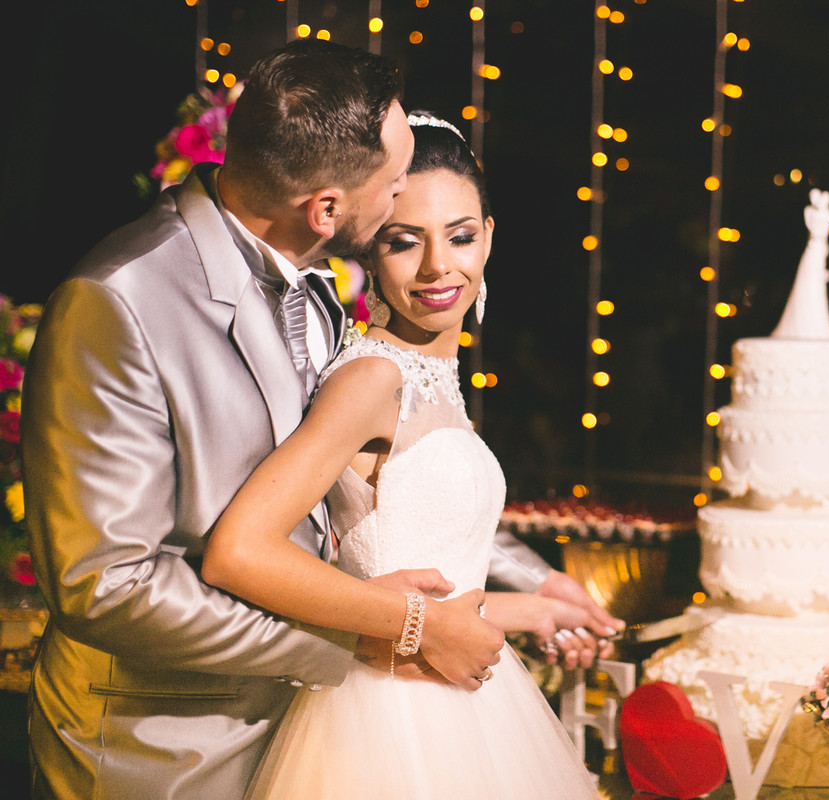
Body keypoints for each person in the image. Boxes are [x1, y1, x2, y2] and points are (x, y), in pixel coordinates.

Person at [21, 39, 614, 800]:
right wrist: (378, 630)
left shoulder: (320, 290)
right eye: (396, 182)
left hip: (322, 730)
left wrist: (529, 584)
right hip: (169, 750)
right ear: (328, 208)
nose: (407, 194)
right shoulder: (117, 302)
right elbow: (109, 585)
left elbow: (382, 491)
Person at [200, 112, 605, 799]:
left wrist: (532, 607)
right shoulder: (371, 379)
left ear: (489, 238)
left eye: (461, 236)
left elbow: (418, 570)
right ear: (367, 251)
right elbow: (237, 551)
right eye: (403, 242)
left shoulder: (433, 374)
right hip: (387, 726)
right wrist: (424, 624)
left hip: (470, 706)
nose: (437, 266)